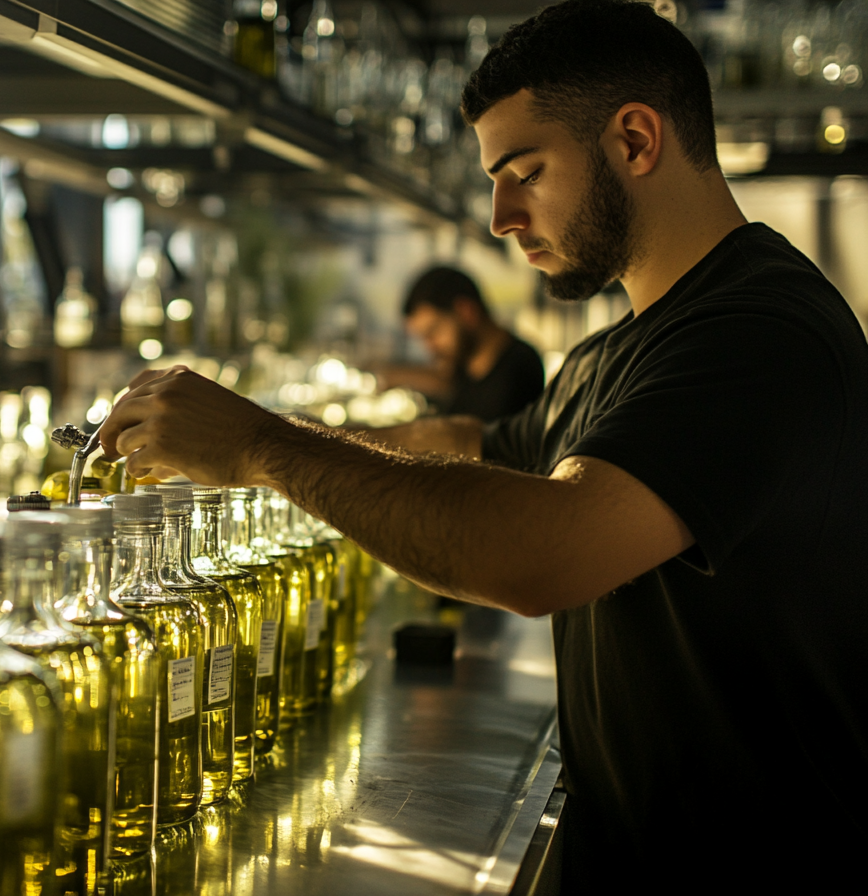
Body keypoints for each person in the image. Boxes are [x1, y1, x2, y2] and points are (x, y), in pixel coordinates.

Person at [96, 0, 868, 889]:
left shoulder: (759, 333)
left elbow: (538, 554)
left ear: (634, 141)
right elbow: (475, 445)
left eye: (525, 172)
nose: (501, 215)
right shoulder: (618, 349)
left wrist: (266, 448)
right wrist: (244, 440)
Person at [376, 266, 544, 422]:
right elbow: (441, 379)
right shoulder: (467, 363)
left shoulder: (519, 368)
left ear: (466, 311)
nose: (429, 346)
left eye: (433, 332)